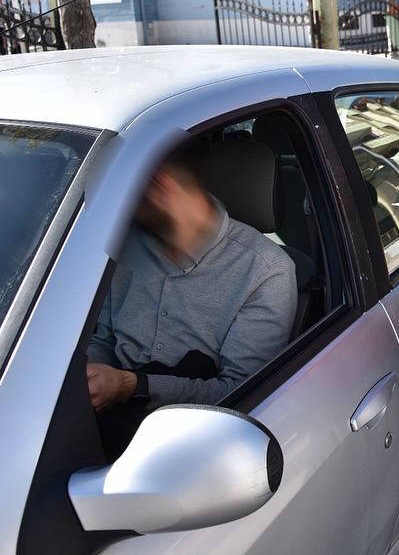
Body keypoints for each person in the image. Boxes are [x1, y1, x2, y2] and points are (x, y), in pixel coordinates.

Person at [86, 141, 298, 459]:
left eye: (126, 195)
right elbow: (104, 335)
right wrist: (88, 372)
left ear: (160, 186)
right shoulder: (127, 245)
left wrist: (131, 385)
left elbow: (238, 396)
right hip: (103, 424)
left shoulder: (265, 270)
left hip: (193, 446)